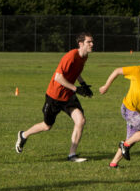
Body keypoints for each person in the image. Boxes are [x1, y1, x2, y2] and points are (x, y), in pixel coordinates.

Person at [15, 32, 95, 162]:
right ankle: (23, 135)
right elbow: (58, 77)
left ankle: (72, 155)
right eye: (89, 42)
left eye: (92, 42)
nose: (92, 44)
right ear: (81, 44)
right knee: (47, 126)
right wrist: (76, 89)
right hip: (55, 96)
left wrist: (83, 84)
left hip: (68, 96)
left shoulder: (84, 56)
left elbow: (76, 71)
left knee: (80, 120)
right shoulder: (70, 56)